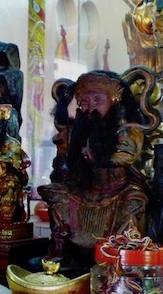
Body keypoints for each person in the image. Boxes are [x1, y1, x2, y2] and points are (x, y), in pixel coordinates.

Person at [38, 70, 150, 266]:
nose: (90, 107)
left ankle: (121, 257)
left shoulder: (128, 129)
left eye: (98, 100)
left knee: (134, 200)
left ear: (114, 99)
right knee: (57, 194)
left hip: (118, 191)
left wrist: (101, 158)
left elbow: (127, 154)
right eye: (84, 101)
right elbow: (64, 157)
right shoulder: (77, 129)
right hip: (82, 190)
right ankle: (59, 252)